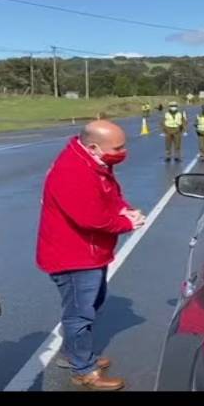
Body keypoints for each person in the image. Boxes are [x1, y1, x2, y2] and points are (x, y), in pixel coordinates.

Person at [36, 120, 145, 391]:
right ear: (94, 147)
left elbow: (110, 196)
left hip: (90, 252)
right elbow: (91, 218)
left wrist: (124, 210)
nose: (122, 151)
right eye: (117, 147)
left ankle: (74, 354)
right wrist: (127, 224)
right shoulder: (73, 171)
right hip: (73, 256)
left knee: (92, 303)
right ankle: (82, 370)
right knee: (79, 313)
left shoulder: (94, 162)